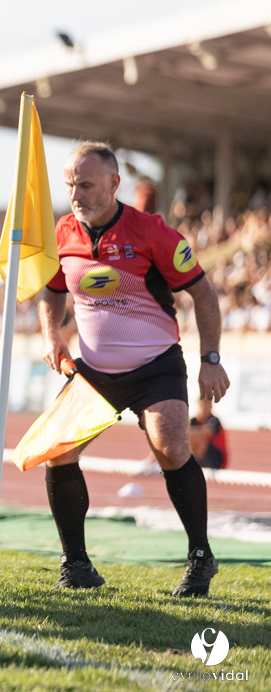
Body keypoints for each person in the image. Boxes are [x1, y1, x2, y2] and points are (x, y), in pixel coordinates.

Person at [38, 141, 229, 597]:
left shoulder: (152, 232)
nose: (75, 194)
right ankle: (76, 564)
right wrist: (51, 334)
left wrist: (211, 359)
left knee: (169, 447)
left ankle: (200, 556)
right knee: (59, 450)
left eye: (85, 184)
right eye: (69, 185)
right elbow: (51, 290)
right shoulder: (62, 233)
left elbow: (203, 295)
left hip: (155, 367)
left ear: (113, 183)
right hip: (94, 371)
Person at [190, 396, 227, 470]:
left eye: (206, 404)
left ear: (211, 406)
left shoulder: (214, 420)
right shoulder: (193, 421)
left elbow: (206, 432)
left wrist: (190, 433)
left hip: (214, 459)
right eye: (202, 404)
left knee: (198, 438)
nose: (204, 407)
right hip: (197, 457)